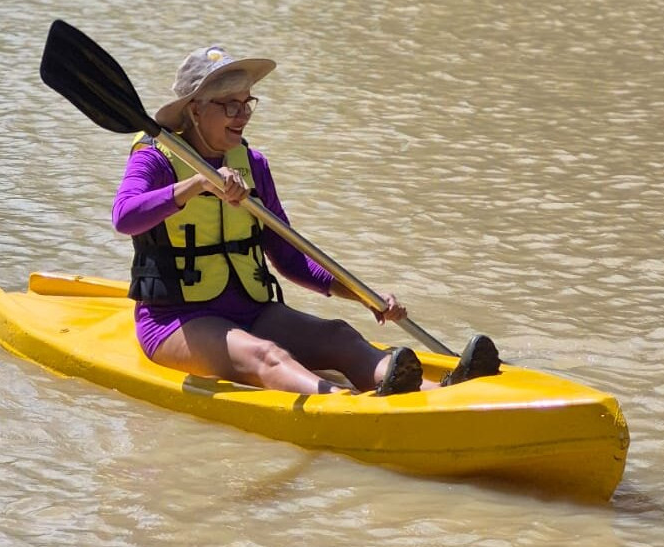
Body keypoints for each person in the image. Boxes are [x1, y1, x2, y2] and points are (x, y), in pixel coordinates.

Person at [112, 45, 500, 395]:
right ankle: (345, 406)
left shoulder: (253, 164)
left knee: (340, 336)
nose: (242, 115)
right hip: (177, 319)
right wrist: (199, 184)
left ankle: (438, 395)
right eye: (230, 104)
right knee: (268, 356)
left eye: (247, 102)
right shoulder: (155, 158)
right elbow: (125, 217)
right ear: (195, 109)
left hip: (250, 311)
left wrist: (364, 297)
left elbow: (290, 257)